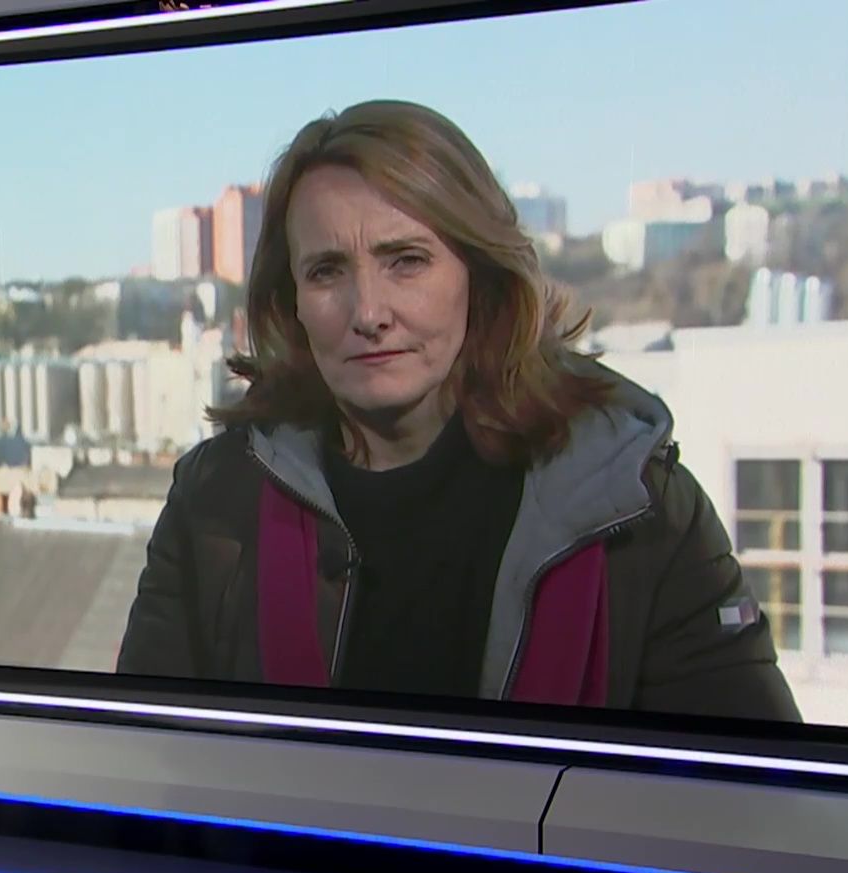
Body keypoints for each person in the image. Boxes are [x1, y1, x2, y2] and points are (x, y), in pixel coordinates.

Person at [115, 101, 800, 723]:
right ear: (290, 300)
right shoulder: (217, 500)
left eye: (406, 261)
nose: (369, 313)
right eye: (326, 271)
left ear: (480, 274)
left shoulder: (638, 504)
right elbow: (145, 767)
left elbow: (752, 793)